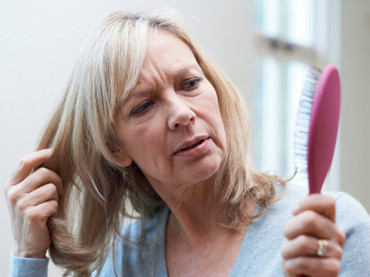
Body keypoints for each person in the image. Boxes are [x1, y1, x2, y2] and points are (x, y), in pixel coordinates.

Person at [4, 10, 370, 277]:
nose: (182, 113)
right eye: (144, 105)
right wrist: (28, 256)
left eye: (190, 84)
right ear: (116, 148)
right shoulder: (125, 260)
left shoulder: (335, 229)